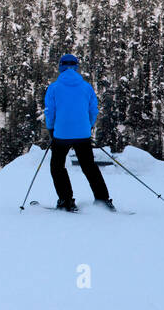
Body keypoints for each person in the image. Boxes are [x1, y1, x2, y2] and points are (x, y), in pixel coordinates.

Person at [44, 54, 114, 211]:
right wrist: (86, 126)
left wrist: (51, 129)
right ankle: (103, 199)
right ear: (76, 67)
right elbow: (93, 110)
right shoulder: (86, 87)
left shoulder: (54, 87)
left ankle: (66, 200)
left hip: (61, 133)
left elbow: (50, 112)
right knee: (89, 166)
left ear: (60, 67)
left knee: (57, 166)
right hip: (82, 134)